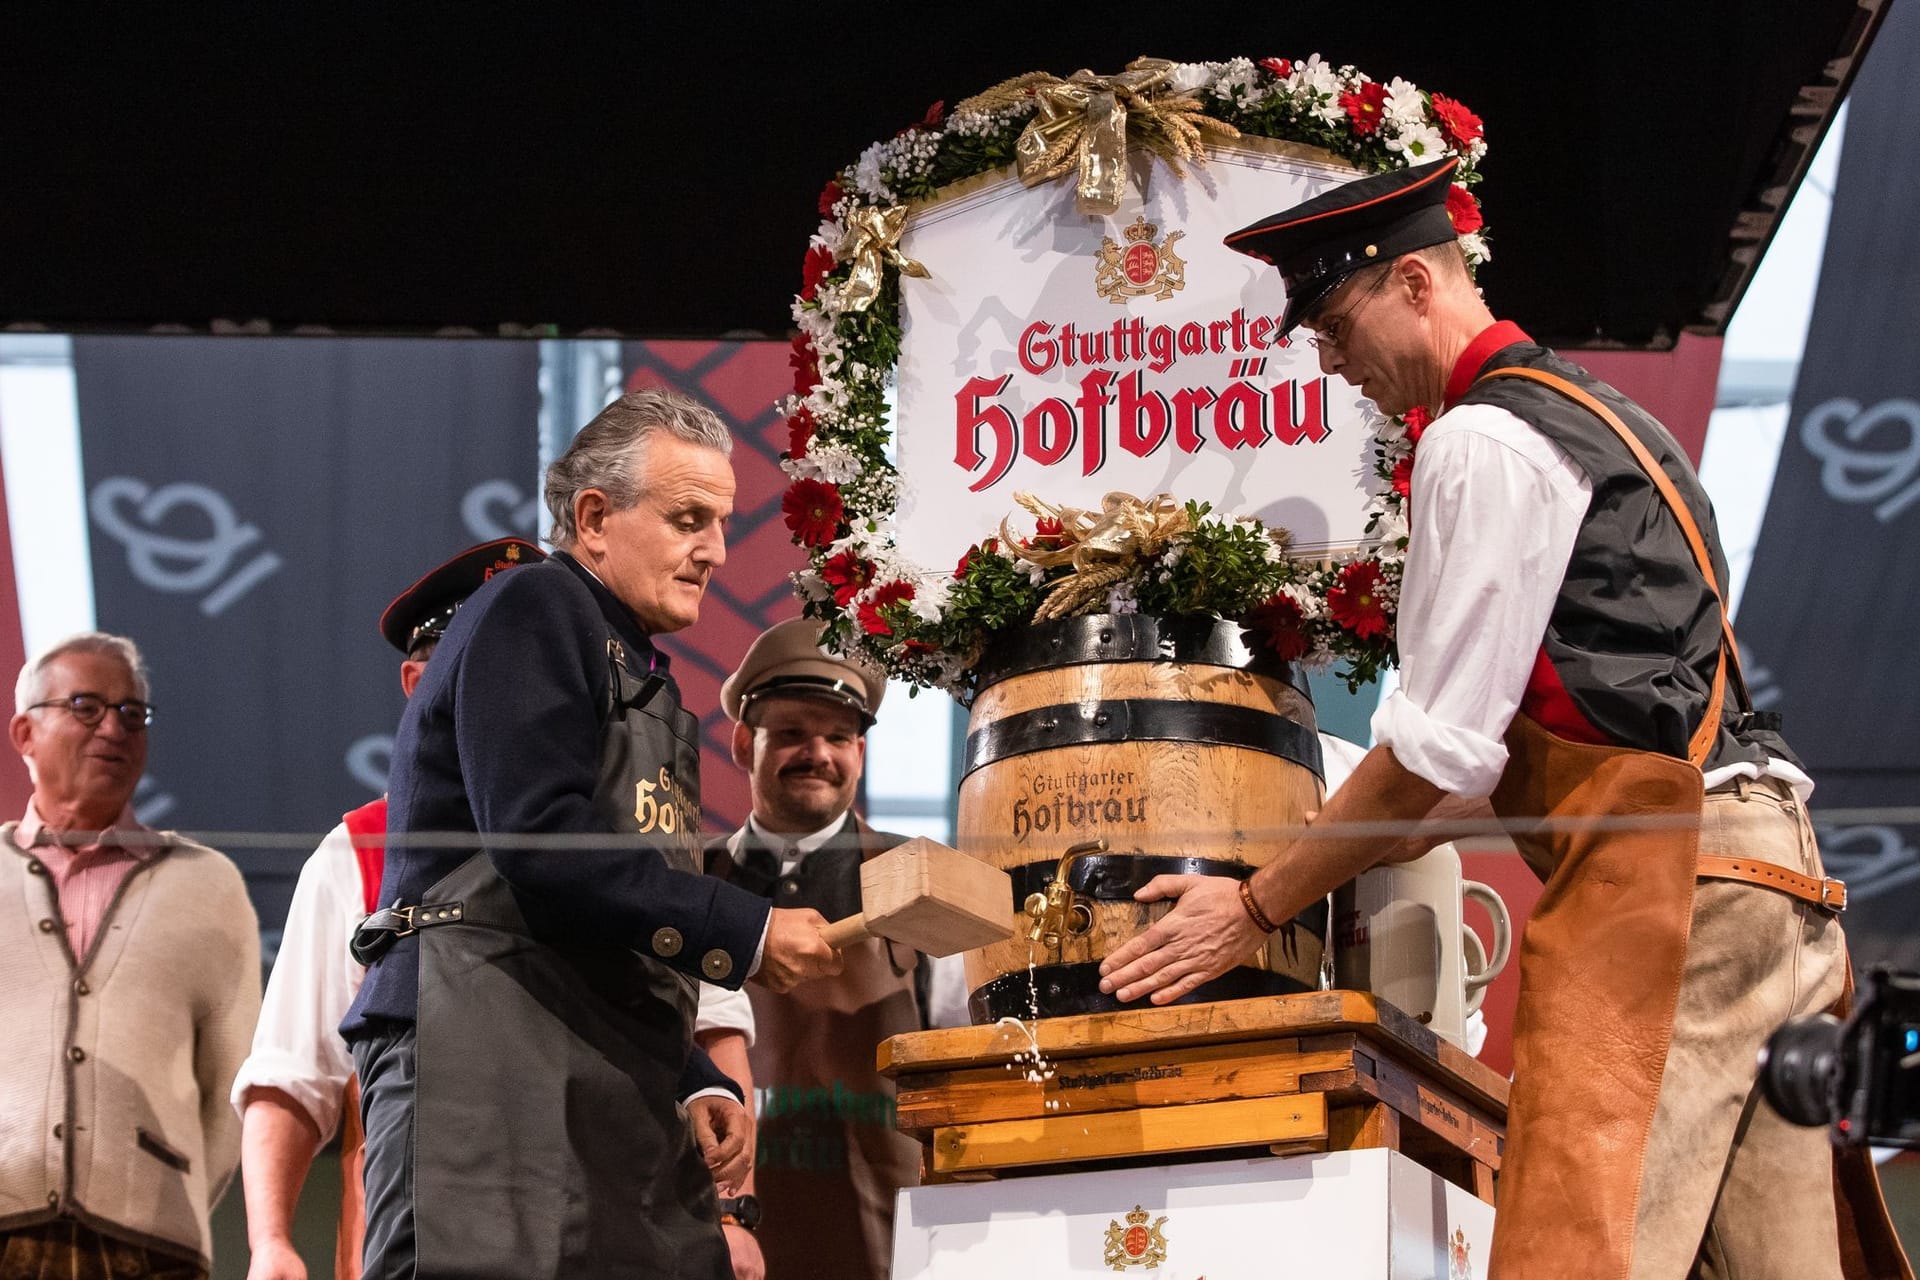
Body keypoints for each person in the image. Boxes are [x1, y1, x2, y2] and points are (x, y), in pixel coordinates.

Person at [1098, 158, 1909, 1279]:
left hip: (1676, 896)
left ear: (1418, 281)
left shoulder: (1478, 440)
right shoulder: (1611, 422)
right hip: (1778, 884)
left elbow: (1435, 751)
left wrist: (1253, 901)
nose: (1332, 362)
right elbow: (1552, 740)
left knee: (1575, 1257)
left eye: (1337, 323)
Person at [340, 389, 842, 1280]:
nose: (717, 552)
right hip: (477, 1058)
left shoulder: (637, 668)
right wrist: (750, 930)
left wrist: (688, 1068)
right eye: (690, 519)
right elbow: (541, 843)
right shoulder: (535, 605)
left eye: (722, 524)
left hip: (572, 1065)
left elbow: (595, 915)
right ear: (596, 517)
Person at [229, 537, 544, 1280]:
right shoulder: (360, 848)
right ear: (417, 682)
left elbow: (700, 1034)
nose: (506, 690)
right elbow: (291, 1075)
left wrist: (731, 1210)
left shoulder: (613, 842)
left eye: (531, 663)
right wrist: (271, 1241)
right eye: (474, 663)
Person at [0, 632, 260, 1280]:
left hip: (152, 1250)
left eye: (131, 713)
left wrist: (171, 1198)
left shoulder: (208, 882)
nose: (113, 728)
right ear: (25, 734)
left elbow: (236, 1083)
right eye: (86, 707)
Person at [700, 618, 924, 1280]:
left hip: (888, 1246)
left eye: (837, 737)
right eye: (792, 733)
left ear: (861, 750)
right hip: (722, 1246)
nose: (817, 753)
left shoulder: (920, 879)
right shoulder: (684, 883)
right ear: (744, 743)